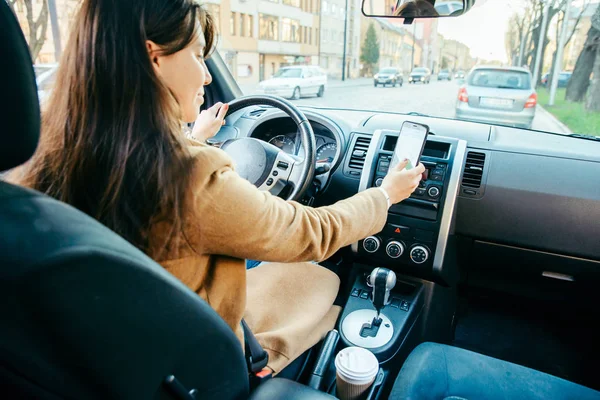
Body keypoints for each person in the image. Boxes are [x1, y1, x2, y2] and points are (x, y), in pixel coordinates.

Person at [9, 0, 425, 374]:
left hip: (105, 358)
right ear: (154, 57)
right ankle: (262, 365)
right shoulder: (191, 176)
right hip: (196, 366)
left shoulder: (44, 153)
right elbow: (310, 233)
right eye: (196, 54)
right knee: (321, 279)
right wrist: (385, 194)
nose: (207, 73)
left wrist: (193, 137)